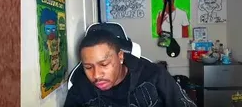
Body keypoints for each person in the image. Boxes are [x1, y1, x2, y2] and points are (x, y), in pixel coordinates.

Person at [64, 26, 195, 106]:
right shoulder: (80, 89)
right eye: (88, 67)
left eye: (104, 64)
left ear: (120, 57)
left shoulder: (154, 75)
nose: (96, 75)